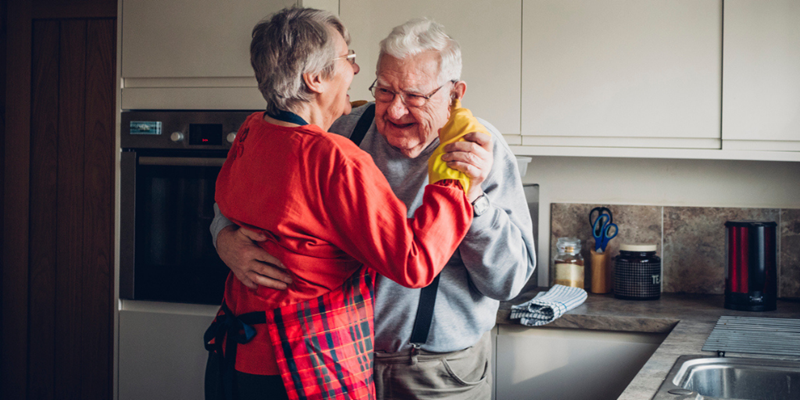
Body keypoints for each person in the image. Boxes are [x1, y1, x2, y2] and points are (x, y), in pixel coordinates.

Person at [212, 17, 536, 400]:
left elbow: (509, 283)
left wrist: (474, 199)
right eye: (384, 90)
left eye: (414, 96)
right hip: (331, 364)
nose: (395, 111)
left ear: (454, 93)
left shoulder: (481, 151)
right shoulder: (340, 132)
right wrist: (224, 237)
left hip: (436, 375)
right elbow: (250, 193)